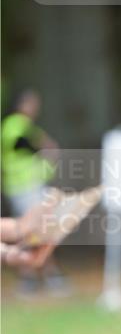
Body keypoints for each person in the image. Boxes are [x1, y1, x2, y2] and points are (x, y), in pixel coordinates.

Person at [1, 89, 67, 294]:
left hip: (31, 186)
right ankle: (39, 277)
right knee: (35, 231)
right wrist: (45, 148)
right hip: (23, 187)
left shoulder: (27, 126)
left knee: (37, 231)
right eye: (31, 103)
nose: (35, 107)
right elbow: (27, 147)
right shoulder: (15, 125)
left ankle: (37, 277)